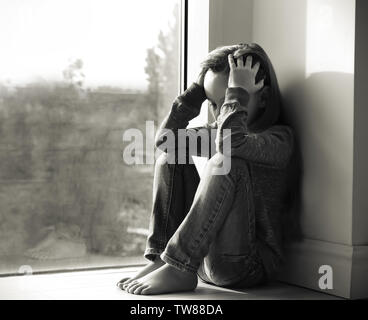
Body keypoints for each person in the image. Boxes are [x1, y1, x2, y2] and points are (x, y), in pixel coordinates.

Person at [117, 43, 297, 295]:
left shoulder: (279, 139)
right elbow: (166, 141)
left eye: (227, 102)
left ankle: (178, 266)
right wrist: (195, 92)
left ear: (263, 98)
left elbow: (231, 142)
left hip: (245, 266)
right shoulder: (221, 133)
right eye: (213, 103)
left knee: (226, 160)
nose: (217, 113)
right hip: (202, 261)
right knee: (172, 156)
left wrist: (236, 93)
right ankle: (164, 259)